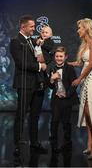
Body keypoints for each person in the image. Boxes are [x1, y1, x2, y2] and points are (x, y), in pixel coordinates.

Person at [9, 15, 48, 166]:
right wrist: (40, 67)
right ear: (23, 27)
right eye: (32, 26)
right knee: (21, 114)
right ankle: (18, 145)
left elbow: (40, 57)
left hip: (37, 84)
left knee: (35, 115)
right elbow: (21, 63)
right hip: (25, 84)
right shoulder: (16, 42)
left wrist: (40, 49)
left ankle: (34, 142)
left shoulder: (33, 42)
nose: (34, 29)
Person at [70, 18, 92, 159]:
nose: (78, 30)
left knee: (91, 110)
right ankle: (90, 143)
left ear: (86, 29)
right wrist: (66, 64)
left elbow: (90, 64)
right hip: (85, 78)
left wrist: (79, 79)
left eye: (80, 28)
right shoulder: (84, 44)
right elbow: (81, 63)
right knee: (86, 111)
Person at [48, 46, 78, 154]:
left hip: (66, 99)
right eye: (57, 56)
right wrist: (51, 79)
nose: (59, 58)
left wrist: (66, 94)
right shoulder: (51, 68)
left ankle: (67, 142)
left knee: (66, 121)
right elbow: (51, 87)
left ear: (65, 57)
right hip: (56, 99)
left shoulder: (69, 68)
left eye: (61, 56)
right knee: (54, 121)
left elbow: (74, 84)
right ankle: (53, 142)